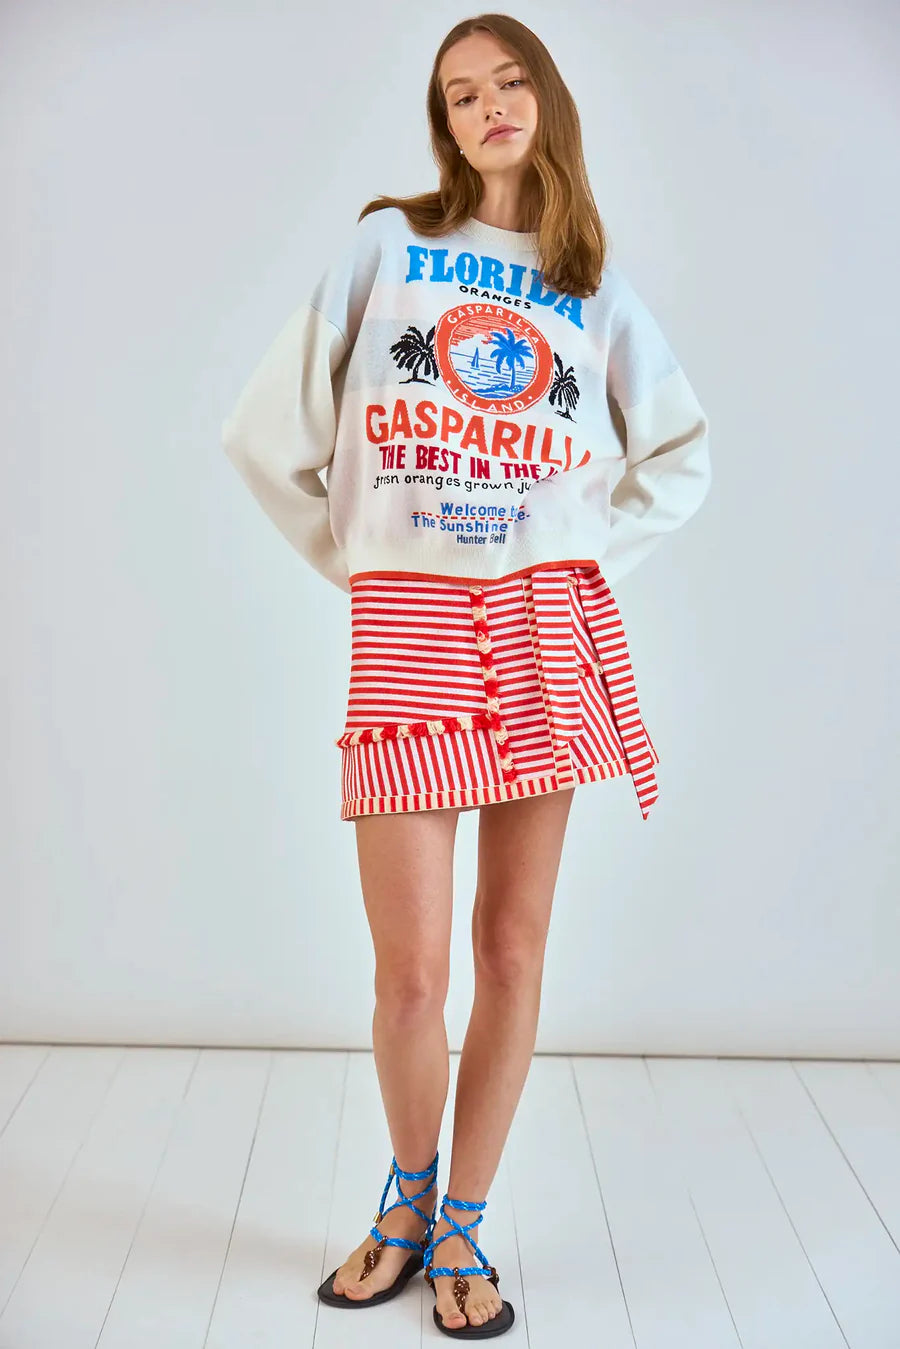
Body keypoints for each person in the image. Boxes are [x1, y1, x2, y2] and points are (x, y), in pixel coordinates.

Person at [221, 12, 711, 1339]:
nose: (488, 106)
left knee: (509, 950)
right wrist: (370, 558)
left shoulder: (589, 284)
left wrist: (570, 545)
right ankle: (406, 1196)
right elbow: (268, 435)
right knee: (412, 978)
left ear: (545, 102)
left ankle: (462, 1232)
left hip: (546, 633)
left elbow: (679, 454)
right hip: (411, 628)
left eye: (509, 83)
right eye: (459, 93)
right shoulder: (394, 245)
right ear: (439, 125)